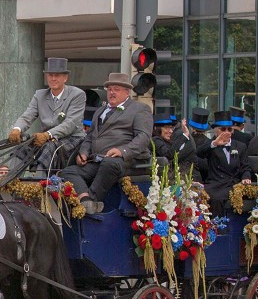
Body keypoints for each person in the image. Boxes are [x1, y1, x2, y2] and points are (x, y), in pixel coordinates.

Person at [59, 72, 153, 213]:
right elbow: (90, 137)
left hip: (126, 161)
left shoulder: (139, 109)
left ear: (127, 92)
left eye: (116, 89)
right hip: (98, 160)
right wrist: (83, 152)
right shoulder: (100, 111)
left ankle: (92, 201)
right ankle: (86, 201)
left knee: (110, 164)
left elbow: (143, 138)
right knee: (68, 171)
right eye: (109, 89)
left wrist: (122, 151)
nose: (112, 93)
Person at [8, 57, 87, 174]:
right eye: (50, 75)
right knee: (20, 148)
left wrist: (48, 135)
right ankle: (11, 185)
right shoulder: (39, 95)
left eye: (57, 75)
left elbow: (70, 124)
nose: (53, 78)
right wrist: (17, 129)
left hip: (71, 138)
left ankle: (39, 186)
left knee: (48, 149)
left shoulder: (77, 94)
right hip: (45, 140)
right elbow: (27, 116)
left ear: (65, 78)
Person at [197, 111, 252, 215]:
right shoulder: (211, 145)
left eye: (229, 129)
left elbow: (245, 167)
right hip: (216, 183)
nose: (226, 132)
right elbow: (199, 153)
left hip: (233, 183)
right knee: (208, 196)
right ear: (216, 131)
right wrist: (215, 143)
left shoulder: (240, 146)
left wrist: (246, 177)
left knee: (222, 197)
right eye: (223, 129)